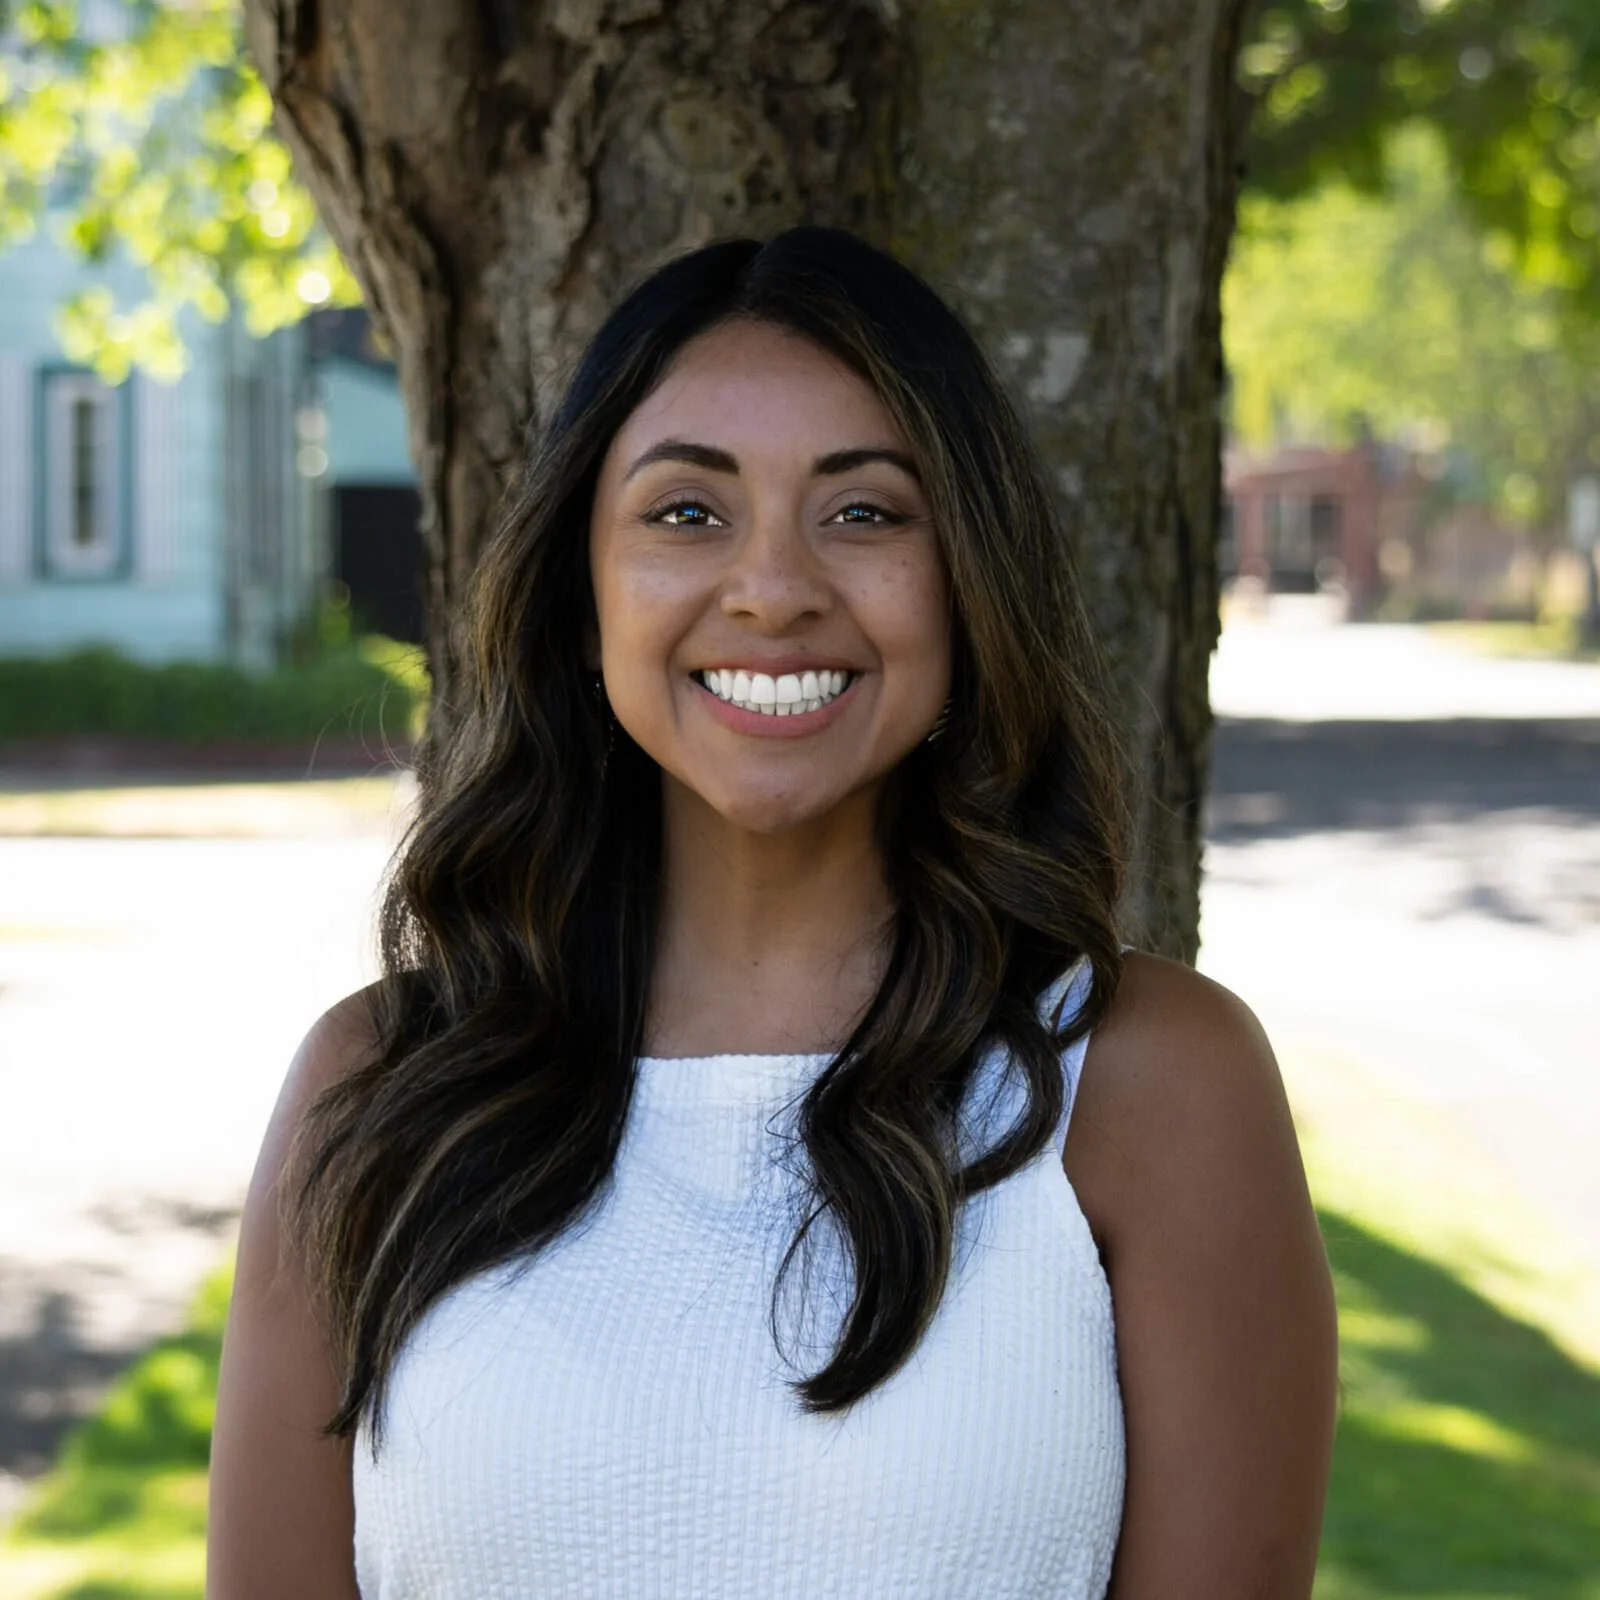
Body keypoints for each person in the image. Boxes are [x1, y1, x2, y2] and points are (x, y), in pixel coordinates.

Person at [206, 228, 1338, 1598]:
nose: (774, 588)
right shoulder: (377, 1089)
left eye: (864, 512)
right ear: (581, 598)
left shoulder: (1153, 1082)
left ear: (967, 586)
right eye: (688, 512)